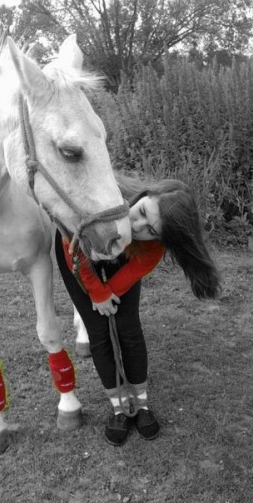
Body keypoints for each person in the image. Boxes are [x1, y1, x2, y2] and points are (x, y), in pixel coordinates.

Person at [55, 176, 220, 446]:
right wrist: (97, 292)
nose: (137, 225)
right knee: (98, 330)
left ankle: (141, 405)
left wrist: (108, 294)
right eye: (142, 212)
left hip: (125, 255)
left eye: (151, 230)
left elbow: (126, 279)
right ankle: (119, 409)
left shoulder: (153, 246)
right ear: (144, 195)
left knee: (128, 327)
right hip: (75, 248)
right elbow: (70, 239)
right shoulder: (105, 195)